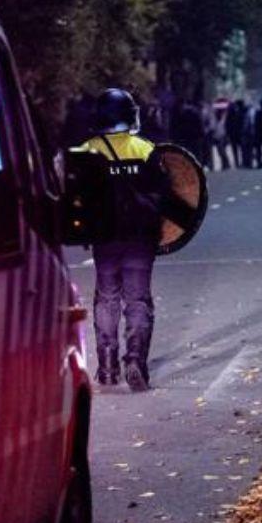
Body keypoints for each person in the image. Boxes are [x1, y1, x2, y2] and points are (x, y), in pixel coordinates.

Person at [76, 88, 170, 392]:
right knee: (138, 299)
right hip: (140, 238)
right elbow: (164, 195)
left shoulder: (86, 151)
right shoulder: (145, 149)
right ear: (130, 115)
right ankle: (135, 361)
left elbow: (77, 197)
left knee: (106, 299)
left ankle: (106, 367)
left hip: (104, 238)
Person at [227, 99, 246, 168]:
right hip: (239, 134)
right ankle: (242, 162)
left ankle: (237, 163)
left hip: (233, 134)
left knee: (235, 150)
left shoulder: (229, 115)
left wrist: (228, 134)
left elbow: (227, 126)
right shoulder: (240, 113)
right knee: (242, 149)